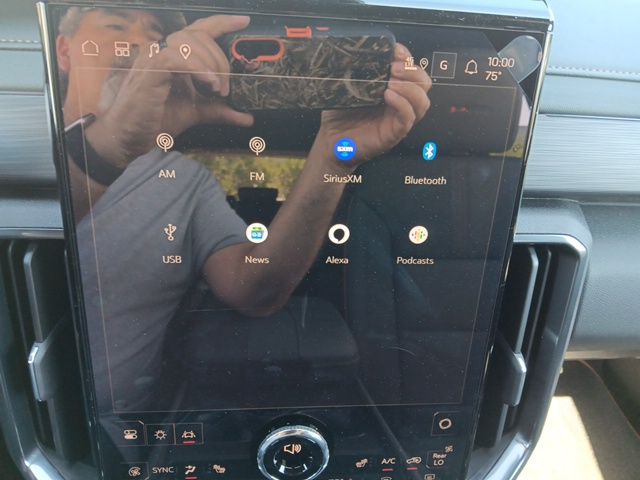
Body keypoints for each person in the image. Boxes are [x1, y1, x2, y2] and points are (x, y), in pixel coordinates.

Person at [56, 7, 432, 409]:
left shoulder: (186, 180)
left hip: (123, 426)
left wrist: (335, 155)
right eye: (116, 24)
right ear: (63, 50)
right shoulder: (31, 147)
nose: (137, 42)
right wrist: (106, 149)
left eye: (153, 34)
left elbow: (256, 291)